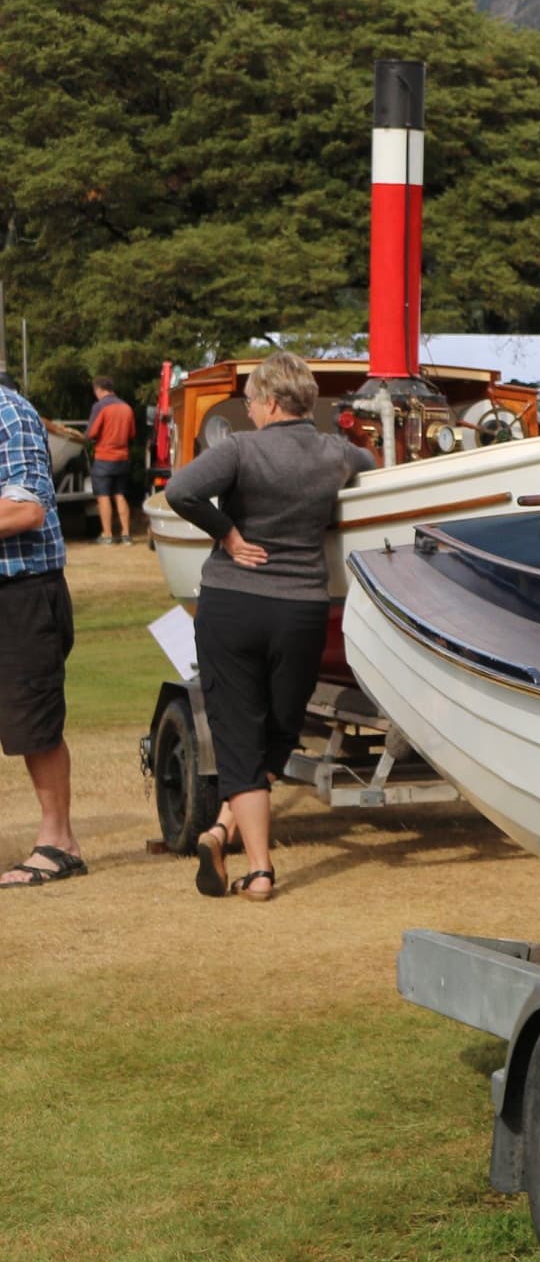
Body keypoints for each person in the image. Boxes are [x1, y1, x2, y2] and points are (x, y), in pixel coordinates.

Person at [164, 352, 373, 901]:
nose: (249, 412)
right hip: (302, 610)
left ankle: (258, 869)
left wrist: (228, 534)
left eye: (252, 402)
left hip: (233, 604)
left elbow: (180, 491)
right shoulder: (338, 453)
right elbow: (375, 475)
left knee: (237, 737)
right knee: (279, 732)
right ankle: (220, 831)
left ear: (272, 402)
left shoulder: (239, 448)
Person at [0, 374, 82, 889]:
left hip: (21, 592)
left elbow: (27, 508)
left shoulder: (8, 412)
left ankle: (60, 843)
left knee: (33, 724)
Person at [80, 375, 137, 545]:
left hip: (104, 457)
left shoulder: (100, 406)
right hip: (123, 458)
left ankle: (107, 535)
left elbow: (91, 433)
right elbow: (132, 434)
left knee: (103, 496)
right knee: (120, 495)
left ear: (98, 390)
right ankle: (126, 534)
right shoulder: (126, 407)